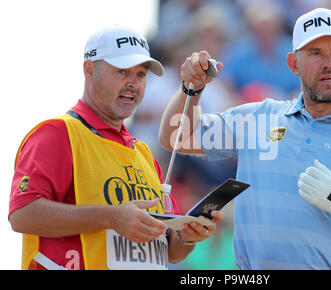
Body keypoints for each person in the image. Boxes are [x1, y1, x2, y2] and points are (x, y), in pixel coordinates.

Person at [159, 8, 331, 269]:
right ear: (293, 64)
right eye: (315, 53)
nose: (328, 62)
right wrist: (190, 88)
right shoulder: (259, 118)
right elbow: (176, 138)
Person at [9, 25, 223, 270]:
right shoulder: (57, 133)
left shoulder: (143, 153)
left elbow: (170, 251)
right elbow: (22, 215)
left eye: (141, 75)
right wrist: (111, 217)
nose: (133, 83)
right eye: (122, 71)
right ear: (89, 70)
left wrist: (188, 235)